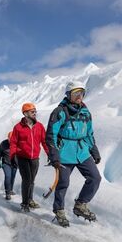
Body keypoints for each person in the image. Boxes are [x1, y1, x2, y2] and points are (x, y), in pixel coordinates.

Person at [46, 81, 101, 227]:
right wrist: (54, 156)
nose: (79, 96)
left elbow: (89, 133)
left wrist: (94, 150)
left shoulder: (85, 112)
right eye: (76, 93)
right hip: (64, 152)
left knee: (95, 177)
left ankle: (80, 205)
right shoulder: (60, 111)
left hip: (82, 151)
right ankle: (59, 210)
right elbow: (51, 135)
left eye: (81, 93)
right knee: (63, 183)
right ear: (68, 95)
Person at [10, 103, 49, 212]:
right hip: (22, 157)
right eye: (32, 111)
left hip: (35, 158)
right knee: (26, 180)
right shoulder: (18, 127)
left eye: (35, 111)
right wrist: (13, 156)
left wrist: (49, 154)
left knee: (32, 180)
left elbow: (44, 141)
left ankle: (30, 200)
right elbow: (13, 143)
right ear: (25, 113)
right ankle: (24, 203)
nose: (35, 113)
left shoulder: (39, 126)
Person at [0, 132, 17, 200]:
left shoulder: (17, 143)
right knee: (8, 176)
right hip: (6, 163)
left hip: (15, 163)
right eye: (9, 139)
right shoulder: (3, 144)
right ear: (8, 138)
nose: (10, 141)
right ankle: (7, 193)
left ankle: (10, 190)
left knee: (12, 177)